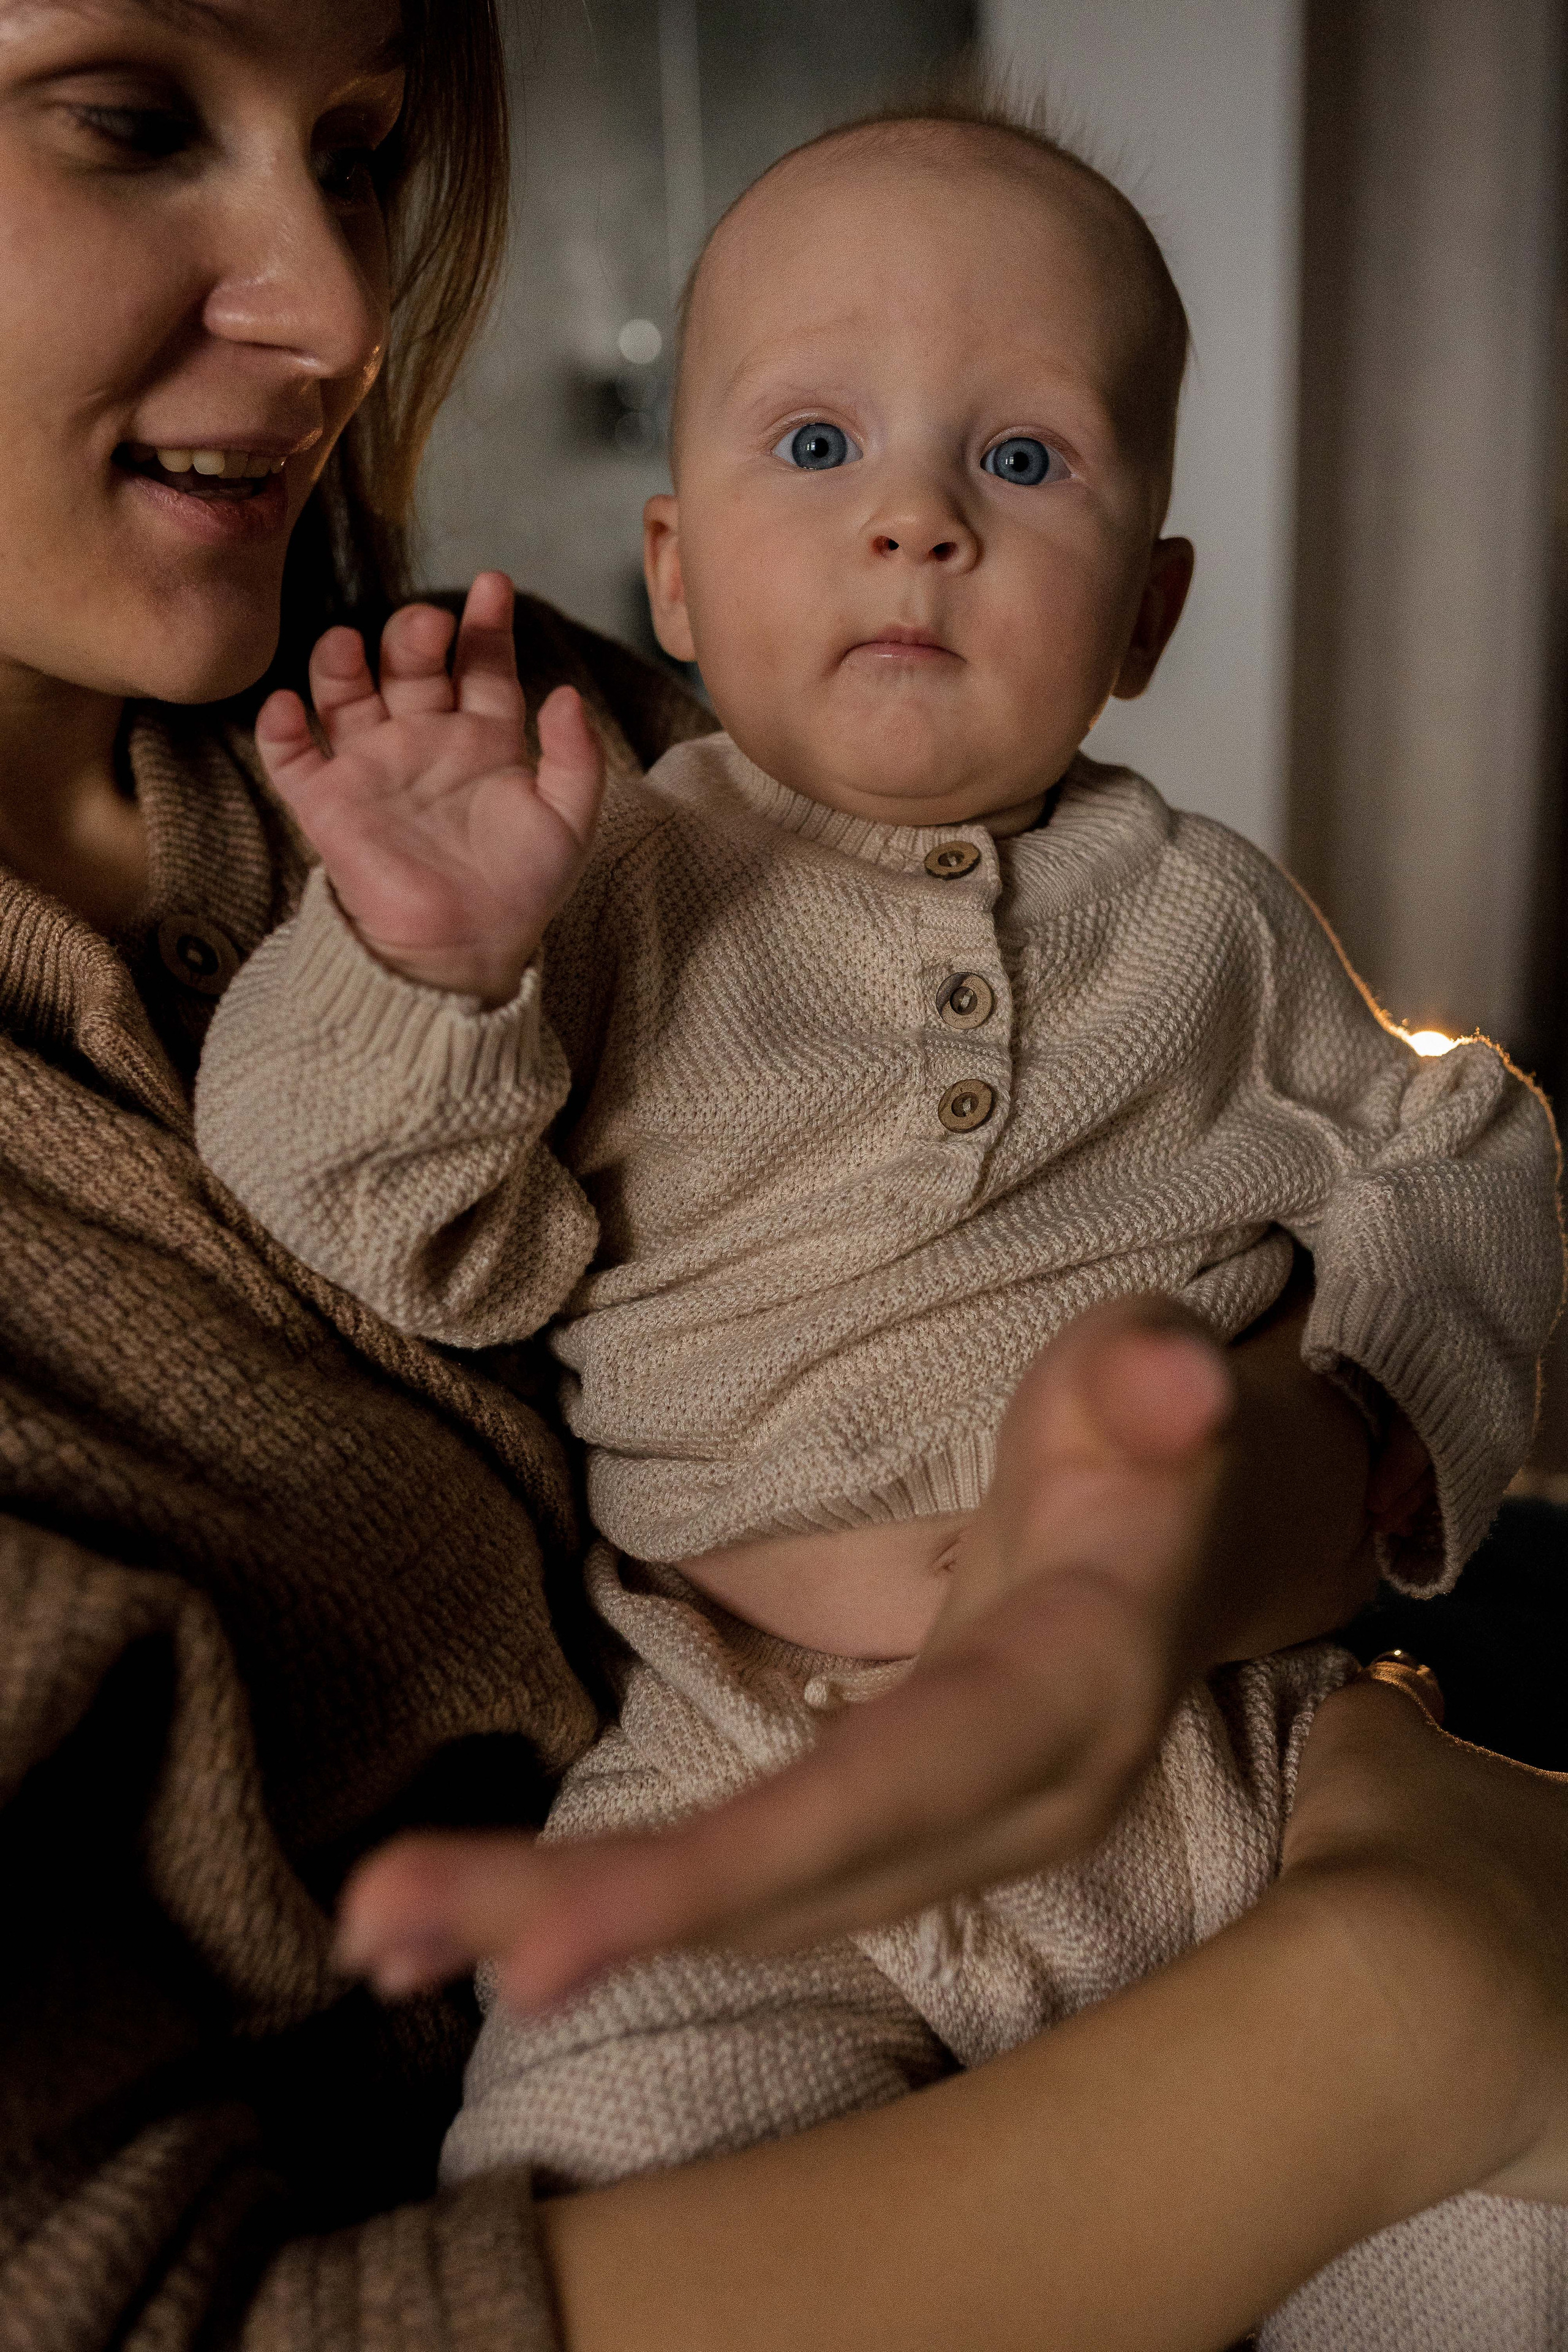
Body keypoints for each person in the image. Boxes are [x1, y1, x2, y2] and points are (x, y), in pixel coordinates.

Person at [1, 10, 1566, 2349]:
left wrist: (1253, 1494)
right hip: (714, 1807)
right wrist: (436, 979)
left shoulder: (558, 734)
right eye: (130, 118)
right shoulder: (564, 868)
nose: (344, 309)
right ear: (687, 559)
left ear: (1147, 607)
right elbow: (413, 1228)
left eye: (364, 155)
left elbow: (1438, 1145)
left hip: (1238, 1767)